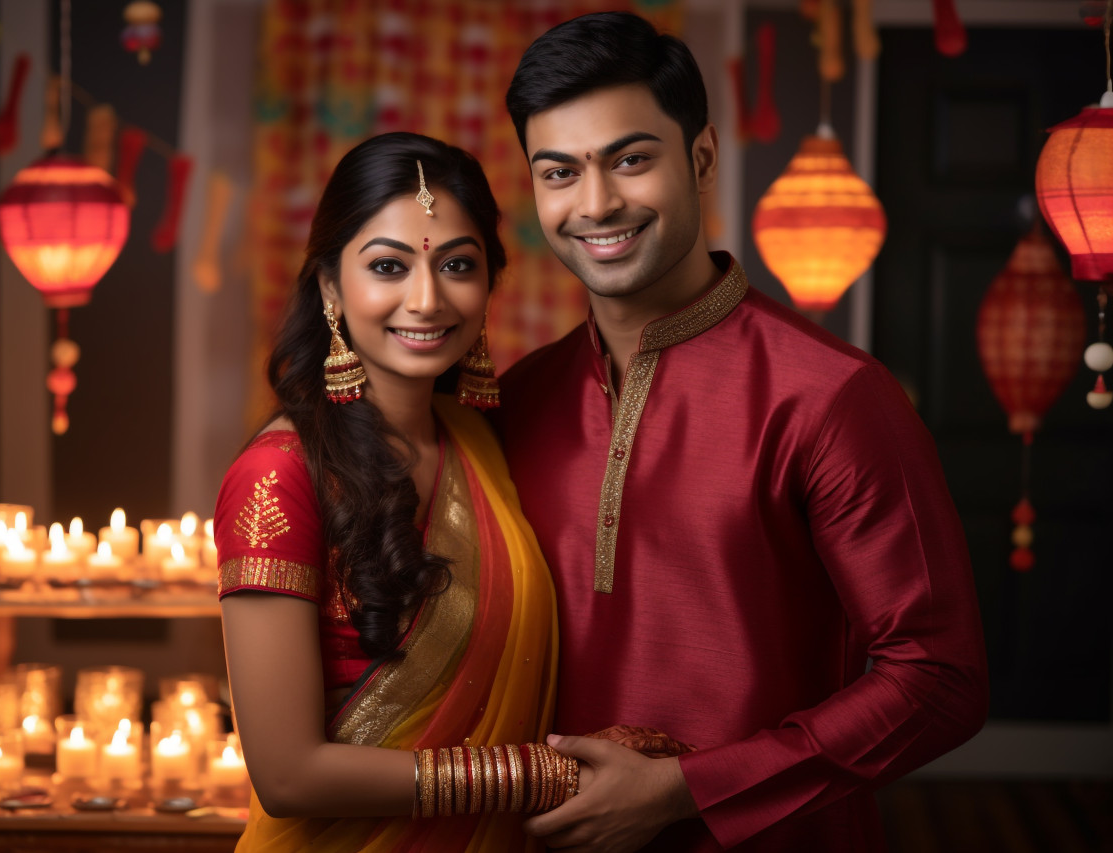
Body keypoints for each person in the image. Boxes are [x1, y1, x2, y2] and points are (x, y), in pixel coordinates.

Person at [496, 12, 990, 852]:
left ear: (702, 157)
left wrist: (686, 791)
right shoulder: (514, 401)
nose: (596, 203)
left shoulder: (832, 395)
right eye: (559, 172)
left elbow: (940, 678)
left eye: (631, 159)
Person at [215, 132, 579, 852]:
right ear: (330, 288)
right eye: (389, 266)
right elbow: (286, 774)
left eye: (457, 265)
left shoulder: (479, 441)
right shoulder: (279, 476)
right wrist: (532, 775)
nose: (427, 298)